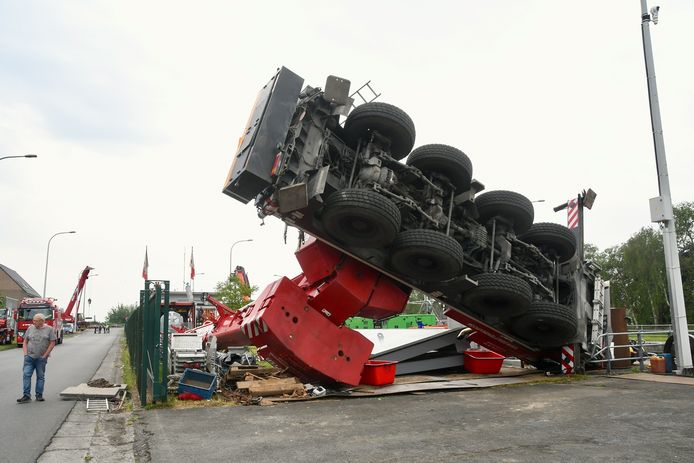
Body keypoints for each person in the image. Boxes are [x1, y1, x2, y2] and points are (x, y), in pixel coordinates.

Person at [17, 313, 56, 403]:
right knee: (26, 375)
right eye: (33, 320)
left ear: (42, 321)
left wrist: (45, 355)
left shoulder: (49, 329)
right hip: (29, 357)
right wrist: (25, 354)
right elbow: (25, 341)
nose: (33, 322)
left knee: (40, 377)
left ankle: (39, 395)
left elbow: (52, 343)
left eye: (36, 321)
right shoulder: (30, 328)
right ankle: (26, 396)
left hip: (41, 358)